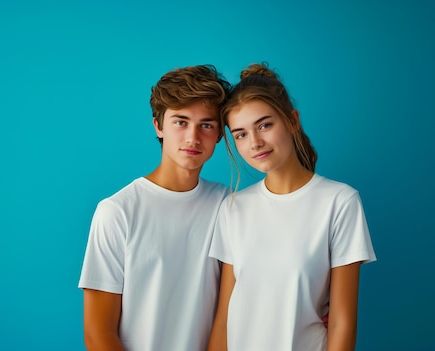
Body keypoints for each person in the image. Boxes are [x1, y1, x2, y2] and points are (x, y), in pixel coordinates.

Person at [207, 63, 376, 351]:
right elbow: (225, 316)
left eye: (265, 125)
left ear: (292, 120)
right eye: (241, 134)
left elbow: (342, 323)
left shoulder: (339, 202)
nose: (255, 142)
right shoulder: (233, 208)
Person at [78, 64, 231, 350]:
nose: (193, 138)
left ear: (220, 133)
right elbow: (98, 334)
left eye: (206, 125)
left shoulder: (228, 205)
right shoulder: (118, 211)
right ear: (158, 126)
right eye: (180, 122)